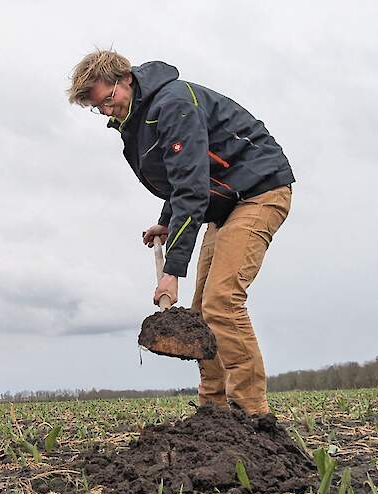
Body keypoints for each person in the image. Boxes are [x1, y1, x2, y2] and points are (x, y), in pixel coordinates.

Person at [68, 49, 294, 415]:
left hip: (258, 191)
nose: (108, 111)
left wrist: (172, 272)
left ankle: (254, 415)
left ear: (126, 78)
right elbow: (180, 179)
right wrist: (168, 220)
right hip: (224, 203)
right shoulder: (139, 118)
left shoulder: (173, 105)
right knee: (203, 312)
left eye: (109, 100)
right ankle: (213, 413)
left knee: (223, 302)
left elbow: (191, 184)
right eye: (99, 108)